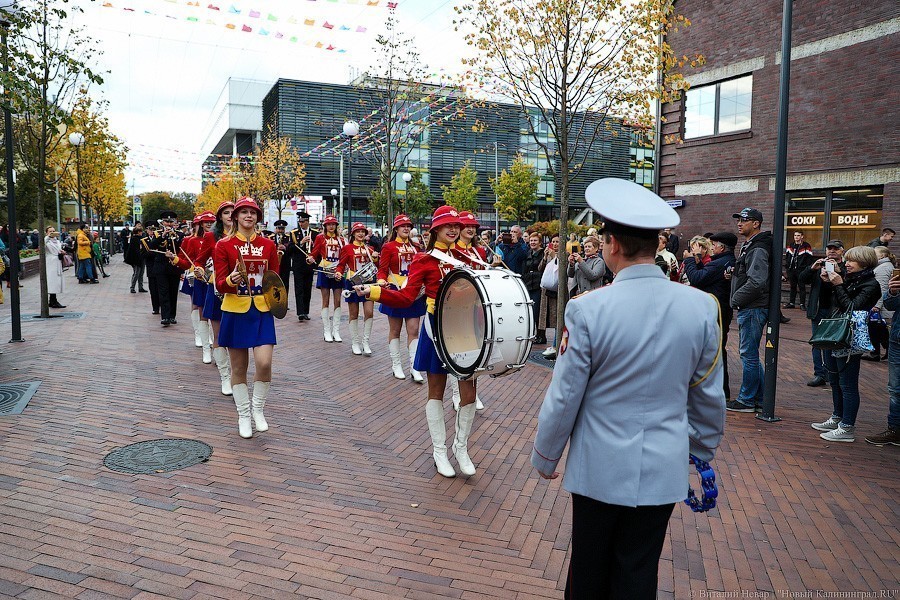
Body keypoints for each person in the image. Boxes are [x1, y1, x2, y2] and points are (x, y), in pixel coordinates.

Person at [531, 178, 725, 599]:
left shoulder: (586, 310)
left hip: (599, 465)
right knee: (639, 571)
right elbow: (708, 393)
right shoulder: (701, 308)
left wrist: (546, 455)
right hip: (662, 464)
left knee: (588, 570)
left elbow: (565, 396)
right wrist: (701, 450)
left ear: (613, 244)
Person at [353, 206, 481, 478]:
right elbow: (407, 297)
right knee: (436, 391)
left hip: (467, 330)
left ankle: (461, 448)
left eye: (456, 225)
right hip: (437, 328)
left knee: (468, 395)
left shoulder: (468, 257)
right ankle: (439, 451)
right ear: (434, 230)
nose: (454, 229)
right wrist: (374, 291)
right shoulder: (424, 260)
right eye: (447, 225)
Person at [213, 197, 279, 439]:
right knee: (239, 366)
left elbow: (275, 279)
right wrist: (231, 280)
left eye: (253, 213)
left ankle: (258, 409)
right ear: (236, 217)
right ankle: (243, 414)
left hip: (261, 310)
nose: (249, 216)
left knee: (264, 363)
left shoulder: (268, 245)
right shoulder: (223, 245)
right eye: (244, 212)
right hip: (235, 308)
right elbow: (219, 283)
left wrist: (278, 303)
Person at [810, 246, 880, 443]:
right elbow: (834, 303)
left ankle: (847, 427)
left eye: (852, 261)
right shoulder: (849, 279)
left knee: (847, 384)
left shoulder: (871, 284)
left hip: (850, 337)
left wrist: (838, 284)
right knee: (834, 380)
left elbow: (851, 307)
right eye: (847, 260)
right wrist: (828, 283)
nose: (847, 264)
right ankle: (837, 417)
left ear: (864, 263)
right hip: (835, 335)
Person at [728, 207, 772, 413]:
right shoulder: (751, 245)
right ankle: (760, 398)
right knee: (750, 353)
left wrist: (735, 298)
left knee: (748, 355)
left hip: (753, 307)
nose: (739, 223)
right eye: (739, 219)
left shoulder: (757, 247)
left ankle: (746, 399)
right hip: (752, 306)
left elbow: (757, 281)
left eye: (744, 220)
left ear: (756, 223)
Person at [684, 231, 737, 403]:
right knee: (715, 349)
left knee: (716, 350)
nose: (712, 247)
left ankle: (721, 390)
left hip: (717, 311)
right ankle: (718, 389)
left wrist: (690, 260)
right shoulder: (722, 262)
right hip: (719, 310)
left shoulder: (718, 263)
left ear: (721, 247)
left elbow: (697, 279)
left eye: (714, 245)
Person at [377, 214, 426, 383]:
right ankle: (396, 365)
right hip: (395, 291)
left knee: (414, 331)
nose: (406, 228)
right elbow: (382, 269)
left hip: (414, 293)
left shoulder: (417, 247)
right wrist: (381, 280)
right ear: (396, 229)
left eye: (408, 226)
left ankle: (415, 367)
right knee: (395, 330)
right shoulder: (388, 247)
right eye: (402, 226)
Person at [799, 240, 845, 387]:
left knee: (833, 343)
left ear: (842, 251)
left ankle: (832, 374)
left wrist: (839, 272)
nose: (832, 251)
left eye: (835, 249)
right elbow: (801, 279)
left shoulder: (846, 266)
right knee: (817, 343)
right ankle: (819, 374)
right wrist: (812, 268)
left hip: (836, 311)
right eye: (829, 248)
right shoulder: (818, 265)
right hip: (818, 310)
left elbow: (849, 285)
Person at [203, 201, 235, 396]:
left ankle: (235, 375)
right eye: (226, 213)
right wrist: (201, 270)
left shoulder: (244, 236)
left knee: (234, 335)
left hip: (238, 291)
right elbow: (199, 260)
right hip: (216, 288)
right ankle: (225, 377)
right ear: (220, 217)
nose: (230, 216)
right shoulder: (211, 237)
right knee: (218, 335)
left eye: (233, 212)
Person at [175, 212, 216, 363]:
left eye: (212, 222)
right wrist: (176, 260)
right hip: (198, 277)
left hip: (216, 280)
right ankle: (203, 343)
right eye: (206, 222)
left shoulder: (221, 238)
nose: (209, 224)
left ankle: (217, 347)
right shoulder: (191, 240)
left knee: (217, 314)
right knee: (199, 307)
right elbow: (186, 260)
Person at [335, 222, 379, 356]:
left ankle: (366, 342)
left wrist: (377, 259)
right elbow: (341, 265)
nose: (360, 234)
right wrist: (338, 273)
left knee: (369, 312)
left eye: (363, 232)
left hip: (369, 283)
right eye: (358, 231)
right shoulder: (347, 248)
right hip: (352, 282)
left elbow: (377, 265)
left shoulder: (370, 249)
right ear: (353, 233)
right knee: (353, 314)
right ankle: (355, 342)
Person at [867, 271, 900, 446]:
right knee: (895, 388)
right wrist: (892, 292)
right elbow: (891, 304)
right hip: (897, 339)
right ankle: (895, 429)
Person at [308, 215, 345, 343]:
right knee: (325, 301)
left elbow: (345, 255)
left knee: (338, 301)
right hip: (324, 270)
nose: (331, 226)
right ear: (325, 226)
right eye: (329, 224)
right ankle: (326, 330)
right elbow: (315, 252)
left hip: (337, 272)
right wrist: (310, 258)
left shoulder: (341, 240)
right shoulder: (320, 238)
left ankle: (336, 330)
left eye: (333, 224)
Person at [149, 210, 184, 327]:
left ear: (174, 222)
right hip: (161, 267)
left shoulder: (180, 234)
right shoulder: (157, 233)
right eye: (166, 221)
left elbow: (182, 249)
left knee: (173, 291)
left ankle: (172, 315)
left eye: (170, 222)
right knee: (163, 292)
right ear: (162, 222)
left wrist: (176, 238)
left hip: (174, 266)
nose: (168, 224)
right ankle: (165, 316)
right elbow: (151, 246)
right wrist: (162, 236)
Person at [862, 246, 894, 361]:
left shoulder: (883, 268)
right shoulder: (884, 266)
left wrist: (877, 305)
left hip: (879, 307)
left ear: (882, 256)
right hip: (880, 306)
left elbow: (882, 288)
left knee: (877, 329)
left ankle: (876, 353)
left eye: (874, 253)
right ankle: (881, 351)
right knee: (880, 329)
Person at [287, 213, 317, 321]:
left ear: (307, 222)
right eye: (300, 221)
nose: (301, 223)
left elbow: (318, 249)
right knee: (299, 288)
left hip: (309, 265)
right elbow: (289, 248)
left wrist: (312, 244)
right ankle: (300, 312)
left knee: (307, 288)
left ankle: (306, 311)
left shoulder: (315, 233)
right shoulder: (294, 233)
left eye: (303, 221)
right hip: (298, 265)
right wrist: (301, 242)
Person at [538, 234, 562, 359]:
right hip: (547, 291)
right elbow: (540, 268)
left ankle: (555, 344)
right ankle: (554, 344)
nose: (556, 244)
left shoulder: (565, 255)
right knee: (548, 318)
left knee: (558, 317)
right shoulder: (549, 254)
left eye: (558, 241)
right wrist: (545, 258)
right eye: (553, 241)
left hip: (559, 291)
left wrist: (555, 258)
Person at [521, 232, 546, 345]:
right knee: (530, 311)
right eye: (531, 240)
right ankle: (533, 334)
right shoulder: (527, 253)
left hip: (538, 285)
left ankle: (541, 335)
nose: (532, 242)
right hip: (528, 284)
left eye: (535, 240)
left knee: (538, 312)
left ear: (540, 242)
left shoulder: (543, 253)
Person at [784, 231, 813, 309]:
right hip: (791, 269)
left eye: (798, 235)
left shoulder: (806, 246)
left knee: (801, 286)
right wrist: (787, 268)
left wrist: (806, 269)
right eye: (795, 235)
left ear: (802, 236)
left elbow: (809, 259)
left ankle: (802, 304)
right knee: (792, 286)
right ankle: (791, 303)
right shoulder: (791, 245)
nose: (796, 237)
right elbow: (787, 257)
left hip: (801, 270)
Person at [270, 219, 293, 299]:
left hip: (285, 264)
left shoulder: (289, 238)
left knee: (285, 283)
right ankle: (275, 299)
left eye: (282, 229)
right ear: (276, 229)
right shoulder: (270, 238)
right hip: (274, 263)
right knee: (274, 282)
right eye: (279, 228)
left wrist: (285, 248)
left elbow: (292, 250)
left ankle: (284, 300)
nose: (280, 230)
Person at [44, 226, 66, 309]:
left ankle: (52, 300)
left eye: (53, 231)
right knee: (52, 281)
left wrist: (62, 252)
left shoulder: (57, 241)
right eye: (50, 231)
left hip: (57, 262)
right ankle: (53, 300)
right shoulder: (47, 241)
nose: (52, 232)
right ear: (47, 232)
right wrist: (48, 236)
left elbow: (59, 249)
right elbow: (42, 245)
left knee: (56, 281)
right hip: (51, 262)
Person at [124, 223, 147, 293]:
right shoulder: (134, 239)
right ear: (138, 232)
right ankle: (132, 287)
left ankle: (140, 287)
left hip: (142, 258)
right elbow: (135, 250)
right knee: (136, 273)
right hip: (136, 259)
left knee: (141, 273)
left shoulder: (141, 239)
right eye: (140, 231)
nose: (142, 233)